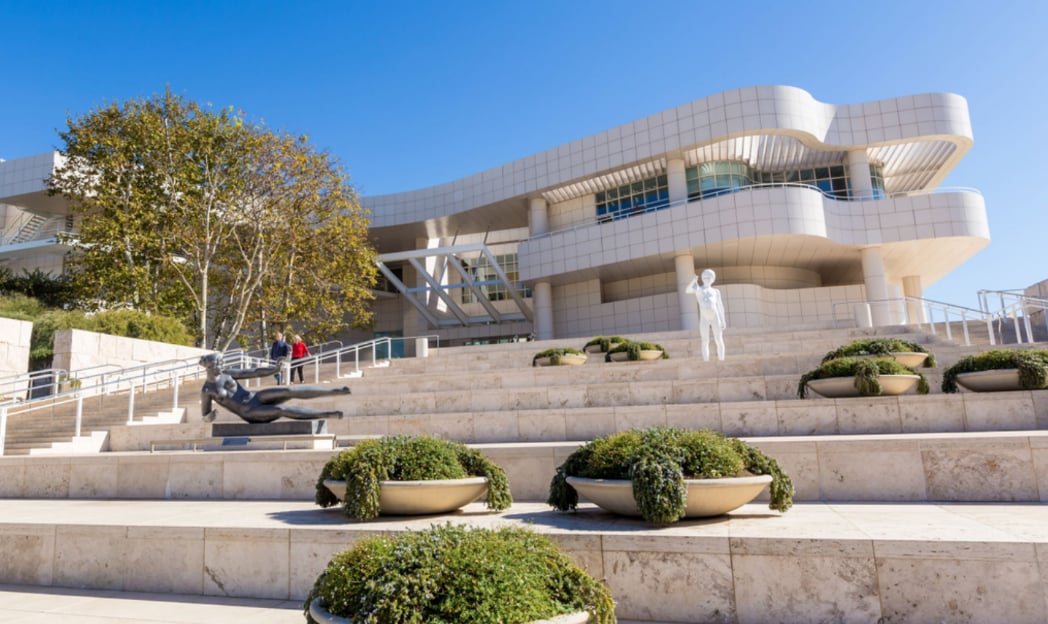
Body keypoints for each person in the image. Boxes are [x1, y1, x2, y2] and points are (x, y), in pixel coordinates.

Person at [198, 353, 349, 423]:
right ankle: (327, 414)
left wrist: (275, 369)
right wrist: (210, 417)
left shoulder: (227, 373)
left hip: (254, 397)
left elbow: (253, 372)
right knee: (281, 410)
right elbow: (205, 415)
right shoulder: (207, 390)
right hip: (249, 411)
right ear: (210, 367)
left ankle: (333, 391)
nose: (222, 365)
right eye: (219, 363)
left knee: (288, 391)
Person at [685, 268, 726, 362]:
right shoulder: (698, 289)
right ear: (702, 278)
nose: (707, 279)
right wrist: (693, 281)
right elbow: (687, 290)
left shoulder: (716, 291)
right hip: (704, 317)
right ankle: (706, 361)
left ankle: (722, 360)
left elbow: (720, 306)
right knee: (705, 340)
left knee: (719, 339)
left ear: (713, 279)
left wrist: (723, 320)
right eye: (705, 277)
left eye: (709, 277)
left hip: (715, 316)